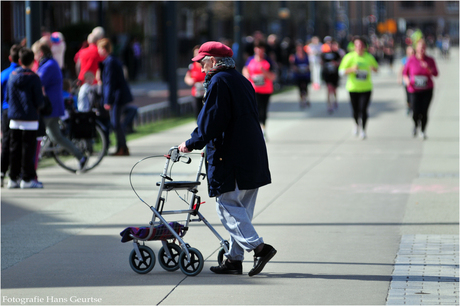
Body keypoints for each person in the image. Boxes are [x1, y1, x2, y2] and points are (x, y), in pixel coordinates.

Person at [178, 41, 276, 276]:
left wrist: (190, 144)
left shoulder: (219, 82)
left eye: (202, 62)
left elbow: (211, 121)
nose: (200, 67)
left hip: (233, 156)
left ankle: (260, 248)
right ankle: (234, 259)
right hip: (252, 154)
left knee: (226, 206)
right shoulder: (240, 80)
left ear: (213, 61)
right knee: (241, 209)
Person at [35, 42, 88, 171]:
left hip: (49, 107)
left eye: (35, 53)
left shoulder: (48, 66)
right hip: (53, 106)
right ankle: (80, 156)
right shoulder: (50, 64)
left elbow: (36, 82)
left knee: (38, 134)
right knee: (55, 136)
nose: (34, 57)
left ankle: (34, 161)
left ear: (40, 53)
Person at [6, 48, 45, 188]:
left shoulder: (12, 76)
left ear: (20, 61)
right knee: (28, 149)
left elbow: (8, 97)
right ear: (32, 61)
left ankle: (13, 178)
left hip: (14, 117)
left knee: (14, 148)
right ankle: (27, 179)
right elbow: (39, 101)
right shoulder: (34, 78)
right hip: (30, 118)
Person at [97, 38, 134, 156]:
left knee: (116, 123)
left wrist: (107, 100)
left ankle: (122, 148)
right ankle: (122, 147)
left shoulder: (110, 62)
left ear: (103, 49)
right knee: (116, 123)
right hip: (119, 95)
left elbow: (109, 83)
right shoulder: (112, 60)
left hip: (117, 97)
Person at [338, 36, 379, 140]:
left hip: (366, 88)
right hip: (353, 88)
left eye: (361, 45)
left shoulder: (369, 57)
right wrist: (351, 69)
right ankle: (356, 124)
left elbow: (376, 69)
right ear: (354, 46)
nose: (359, 47)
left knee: (364, 109)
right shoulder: (349, 57)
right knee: (355, 110)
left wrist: (373, 68)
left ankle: (363, 130)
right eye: (357, 45)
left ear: (365, 46)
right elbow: (341, 72)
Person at [402, 39, 438, 140]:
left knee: (424, 111)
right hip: (414, 89)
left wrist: (428, 68)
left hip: (427, 89)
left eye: (423, 48)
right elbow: (405, 73)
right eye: (419, 48)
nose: (421, 50)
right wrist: (407, 80)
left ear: (425, 49)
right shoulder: (411, 60)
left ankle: (423, 130)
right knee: (415, 111)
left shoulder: (430, 60)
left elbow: (436, 74)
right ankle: (415, 124)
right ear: (416, 48)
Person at [242, 40, 276, 138]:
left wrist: (264, 72)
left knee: (263, 110)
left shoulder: (268, 60)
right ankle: (256, 130)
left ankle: (263, 129)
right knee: (254, 109)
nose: (259, 50)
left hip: (266, 90)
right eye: (257, 48)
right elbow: (245, 69)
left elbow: (273, 76)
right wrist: (247, 75)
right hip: (254, 89)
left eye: (261, 48)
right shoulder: (250, 60)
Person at [1, 44, 22, 187]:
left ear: (9, 58)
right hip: (18, 112)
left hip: (5, 111)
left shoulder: (3, 74)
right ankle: (14, 175)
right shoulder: (22, 73)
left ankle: (2, 171)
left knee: (6, 142)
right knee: (17, 143)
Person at [184, 45, 206, 118]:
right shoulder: (192, 66)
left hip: (205, 93)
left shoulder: (206, 65)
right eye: (195, 53)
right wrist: (190, 81)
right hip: (196, 93)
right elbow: (187, 77)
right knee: (197, 113)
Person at [321, 38, 342, 113]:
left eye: (330, 43)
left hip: (334, 73)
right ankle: (329, 105)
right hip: (327, 73)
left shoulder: (336, 53)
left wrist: (336, 64)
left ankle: (335, 101)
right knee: (329, 89)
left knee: (334, 89)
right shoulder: (323, 54)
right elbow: (321, 62)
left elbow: (340, 62)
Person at [289, 42, 311, 108]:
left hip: (305, 75)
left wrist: (306, 68)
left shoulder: (306, 56)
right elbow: (292, 65)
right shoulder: (294, 56)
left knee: (305, 87)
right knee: (300, 88)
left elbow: (309, 65)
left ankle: (306, 98)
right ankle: (302, 100)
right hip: (298, 75)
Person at [398, 45, 415, 115]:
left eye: (412, 51)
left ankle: (414, 107)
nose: (411, 52)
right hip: (407, 82)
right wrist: (399, 78)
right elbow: (401, 70)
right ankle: (409, 107)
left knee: (414, 96)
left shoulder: (416, 59)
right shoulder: (405, 60)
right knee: (408, 96)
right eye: (409, 50)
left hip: (415, 81)